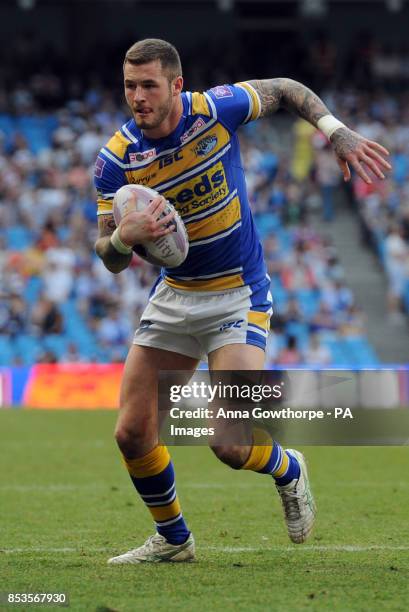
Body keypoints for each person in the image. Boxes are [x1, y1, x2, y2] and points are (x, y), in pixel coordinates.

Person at [94, 39, 391, 564]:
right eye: (129, 86)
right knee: (131, 432)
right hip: (175, 295)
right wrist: (123, 237)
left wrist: (335, 132)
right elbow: (108, 255)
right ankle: (173, 540)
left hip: (237, 293)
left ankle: (288, 468)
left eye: (148, 86)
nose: (137, 97)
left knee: (229, 443)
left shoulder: (216, 109)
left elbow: (287, 89)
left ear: (177, 86)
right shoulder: (115, 162)